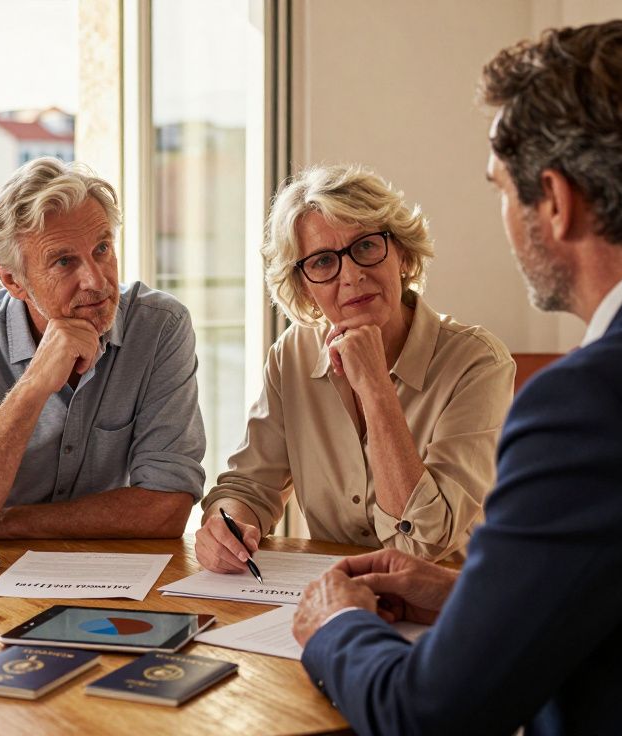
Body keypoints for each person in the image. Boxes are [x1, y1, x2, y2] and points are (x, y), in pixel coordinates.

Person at [293, 20, 622, 735]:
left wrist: (334, 628)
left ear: (553, 199)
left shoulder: (590, 406)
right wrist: (466, 597)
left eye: (500, 190)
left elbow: (429, 714)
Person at [196, 164, 514, 572]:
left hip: (443, 610)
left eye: (365, 246)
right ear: (304, 286)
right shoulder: (290, 356)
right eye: (324, 262)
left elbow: (423, 543)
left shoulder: (478, 362)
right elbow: (250, 486)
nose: (352, 275)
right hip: (331, 597)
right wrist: (227, 525)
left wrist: (376, 387)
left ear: (401, 253)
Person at [0, 158, 206, 550]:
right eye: (64, 261)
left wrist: (6, 522)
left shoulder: (159, 327)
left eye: (102, 248)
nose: (97, 280)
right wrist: (32, 386)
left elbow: (167, 507)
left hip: (96, 572)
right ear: (13, 279)